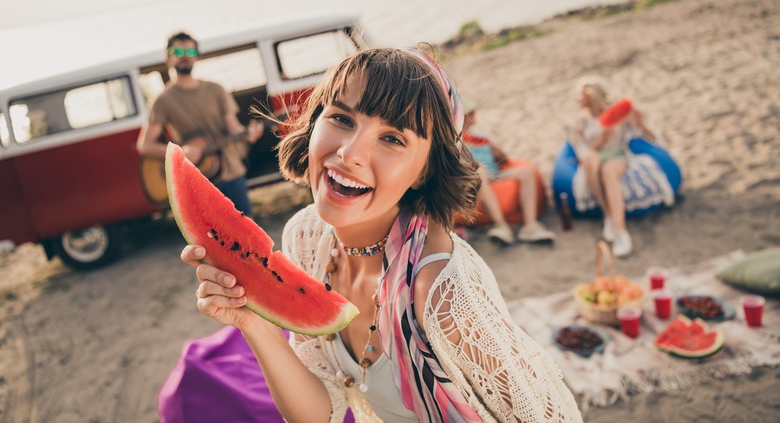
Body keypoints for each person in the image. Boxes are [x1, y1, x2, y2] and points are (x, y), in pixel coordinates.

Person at [180, 48, 582, 422]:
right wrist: (256, 324)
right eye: (341, 118)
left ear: (425, 169)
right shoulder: (306, 238)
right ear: (315, 121)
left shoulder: (442, 290)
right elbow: (322, 411)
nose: (350, 153)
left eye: (392, 139)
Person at [136, 31, 263, 216]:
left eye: (190, 52)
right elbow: (145, 145)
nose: (185, 57)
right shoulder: (162, 100)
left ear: (196, 56)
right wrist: (180, 153)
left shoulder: (216, 89)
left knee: (247, 229)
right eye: (178, 52)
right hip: (199, 178)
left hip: (232, 172)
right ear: (168, 58)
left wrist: (249, 133)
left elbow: (234, 128)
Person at [567, 77, 657, 257]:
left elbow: (651, 138)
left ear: (592, 96)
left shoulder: (616, 114)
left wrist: (640, 123)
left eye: (581, 95)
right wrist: (601, 140)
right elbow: (581, 150)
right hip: (593, 157)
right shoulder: (579, 122)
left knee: (608, 171)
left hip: (616, 154)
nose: (577, 98)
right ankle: (607, 213)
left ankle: (620, 232)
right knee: (589, 159)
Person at [461, 100, 556, 245]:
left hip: (496, 175)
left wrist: (497, 151)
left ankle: (530, 226)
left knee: (526, 172)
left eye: (473, 114)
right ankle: (501, 225)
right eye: (469, 115)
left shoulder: (481, 137)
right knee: (479, 171)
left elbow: (503, 158)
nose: (473, 118)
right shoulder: (455, 140)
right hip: (475, 180)